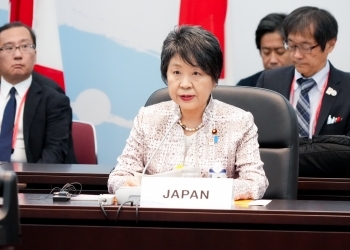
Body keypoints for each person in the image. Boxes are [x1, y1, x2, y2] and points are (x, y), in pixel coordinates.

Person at [108, 25, 268, 200]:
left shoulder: (238, 121)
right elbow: (118, 176)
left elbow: (256, 182)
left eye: (196, 73)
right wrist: (127, 184)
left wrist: (200, 190)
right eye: (176, 72)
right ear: (166, 74)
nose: (185, 84)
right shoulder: (148, 118)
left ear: (214, 79)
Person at [256, 6, 350, 137]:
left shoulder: (347, 87)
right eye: (292, 46)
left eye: (306, 47)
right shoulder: (269, 81)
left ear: (330, 44)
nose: (296, 55)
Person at [0, 21, 75, 163]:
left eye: (25, 46)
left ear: (35, 55)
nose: (18, 55)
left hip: (32, 181)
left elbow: (54, 153)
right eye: (8, 48)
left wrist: (27, 181)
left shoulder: (54, 100)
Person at [237, 13, 292, 87]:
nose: (273, 60)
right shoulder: (245, 88)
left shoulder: (305, 86)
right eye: (266, 52)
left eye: (280, 52)